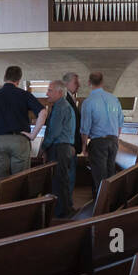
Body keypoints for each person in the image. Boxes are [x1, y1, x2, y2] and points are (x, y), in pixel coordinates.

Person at [0, 65, 46, 179]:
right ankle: (19, 197)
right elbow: (43, 112)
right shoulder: (24, 95)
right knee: (19, 179)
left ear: (4, 77)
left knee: (1, 181)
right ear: (18, 80)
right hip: (19, 140)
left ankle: (4, 197)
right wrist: (33, 135)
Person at [80, 71, 124, 188]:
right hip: (113, 141)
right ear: (102, 82)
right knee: (110, 176)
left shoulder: (88, 102)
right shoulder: (114, 99)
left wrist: (84, 145)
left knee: (100, 177)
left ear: (89, 82)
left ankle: (101, 204)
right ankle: (111, 204)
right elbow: (120, 122)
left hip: (98, 143)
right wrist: (115, 138)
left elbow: (85, 127)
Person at [42, 80, 77, 219]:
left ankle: (62, 213)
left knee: (59, 181)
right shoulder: (62, 105)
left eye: (50, 90)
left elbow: (54, 131)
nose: (47, 93)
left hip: (59, 148)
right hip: (64, 148)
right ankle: (67, 209)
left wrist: (44, 147)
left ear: (60, 92)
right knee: (63, 180)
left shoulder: (60, 107)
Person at [62, 71, 84, 157]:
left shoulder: (71, 98)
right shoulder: (65, 100)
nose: (78, 85)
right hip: (69, 145)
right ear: (66, 84)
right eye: (76, 82)